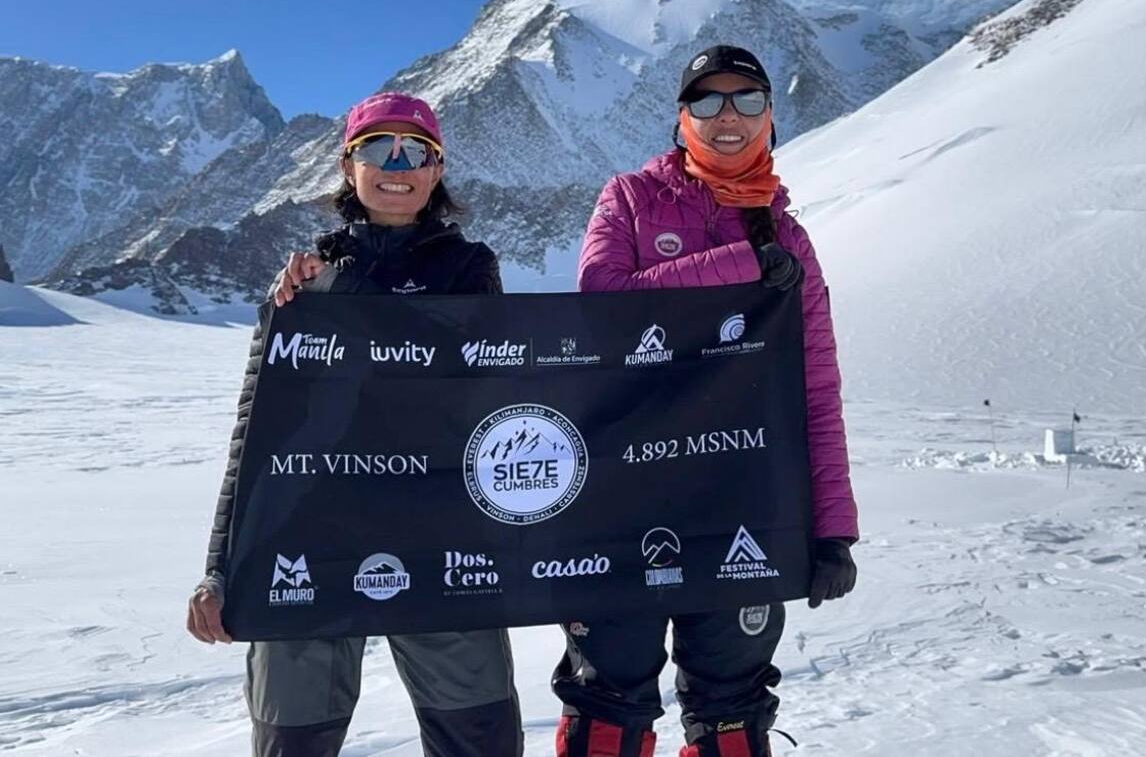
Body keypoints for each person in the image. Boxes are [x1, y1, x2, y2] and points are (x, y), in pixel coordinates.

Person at [186, 91, 523, 757]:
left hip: (443, 544)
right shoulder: (305, 289)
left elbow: (496, 412)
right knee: (293, 741)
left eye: (415, 151)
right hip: (309, 541)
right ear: (347, 166)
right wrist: (220, 569)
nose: (396, 163)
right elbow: (258, 437)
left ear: (437, 170)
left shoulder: (470, 272)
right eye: (377, 147)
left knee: (479, 740)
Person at [553, 46, 860, 757]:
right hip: (619, 490)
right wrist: (742, 267)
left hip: (742, 498)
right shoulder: (629, 198)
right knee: (607, 699)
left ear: (771, 118)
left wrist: (831, 527)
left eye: (747, 100)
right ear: (680, 118)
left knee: (732, 709)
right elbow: (603, 304)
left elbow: (814, 386)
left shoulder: (790, 238)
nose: (729, 117)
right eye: (707, 101)